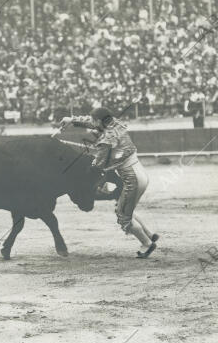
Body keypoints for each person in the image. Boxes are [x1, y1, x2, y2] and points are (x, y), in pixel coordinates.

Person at [60, 107, 159, 258]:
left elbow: (98, 164)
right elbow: (92, 123)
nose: (92, 123)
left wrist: (89, 167)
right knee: (124, 207)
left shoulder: (106, 139)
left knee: (123, 216)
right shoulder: (116, 124)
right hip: (141, 174)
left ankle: (147, 243)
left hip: (133, 180)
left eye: (94, 120)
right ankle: (150, 235)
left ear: (100, 121)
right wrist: (72, 120)